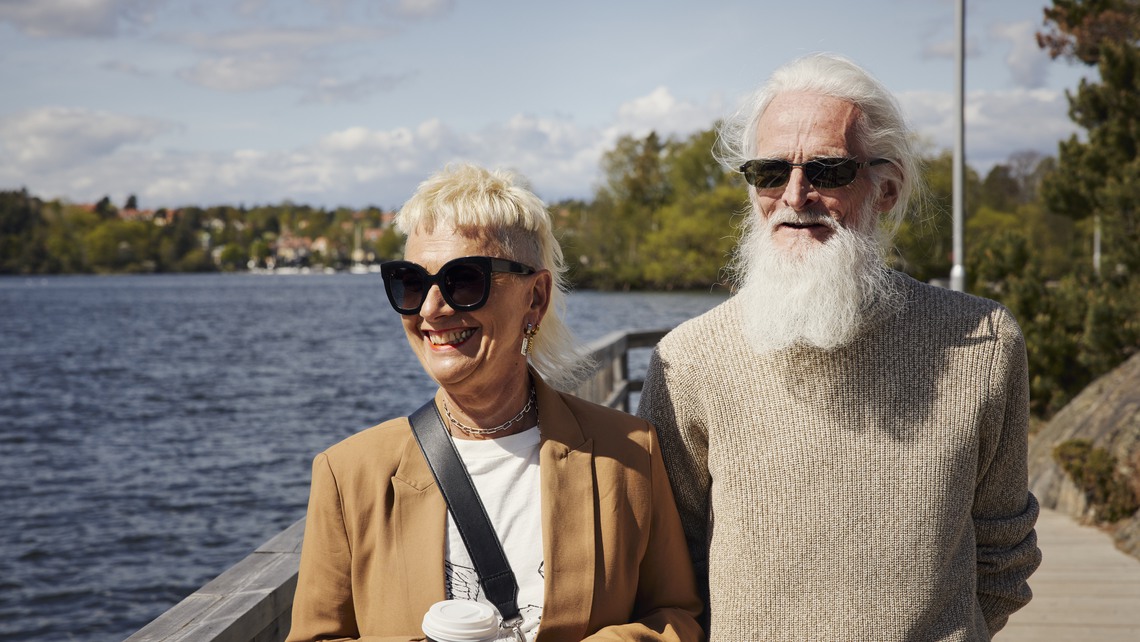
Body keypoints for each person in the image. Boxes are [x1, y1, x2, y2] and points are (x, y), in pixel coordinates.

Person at [637, 53, 1041, 641]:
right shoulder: (687, 360)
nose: (795, 195)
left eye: (828, 171)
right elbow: (671, 573)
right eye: (770, 172)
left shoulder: (983, 343)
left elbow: (1003, 559)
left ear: (887, 188)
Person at [287, 163, 703, 642]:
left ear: (535, 298)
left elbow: (676, 617)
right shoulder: (349, 475)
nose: (430, 309)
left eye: (464, 280)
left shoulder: (627, 454)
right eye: (410, 282)